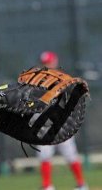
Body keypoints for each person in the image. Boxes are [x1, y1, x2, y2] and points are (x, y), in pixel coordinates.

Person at [37, 51, 88, 190]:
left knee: (71, 154)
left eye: (49, 62)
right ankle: (47, 186)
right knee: (44, 155)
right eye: (44, 63)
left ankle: (81, 184)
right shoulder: (38, 81)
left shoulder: (64, 79)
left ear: (55, 61)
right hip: (45, 124)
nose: (47, 65)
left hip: (62, 123)